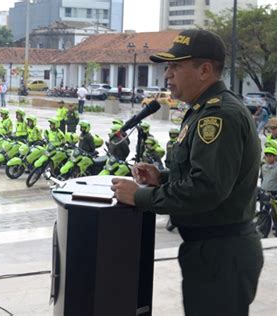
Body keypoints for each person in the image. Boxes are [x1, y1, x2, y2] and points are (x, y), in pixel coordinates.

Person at [110, 29, 264, 316]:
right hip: (210, 250)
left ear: (205, 70)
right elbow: (205, 175)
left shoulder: (219, 116)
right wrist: (162, 178)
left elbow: (208, 188)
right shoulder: (201, 111)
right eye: (168, 67)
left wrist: (142, 196)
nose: (167, 74)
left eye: (176, 66)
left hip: (221, 253)